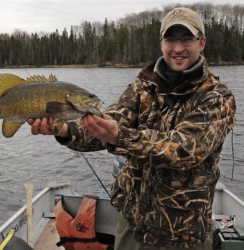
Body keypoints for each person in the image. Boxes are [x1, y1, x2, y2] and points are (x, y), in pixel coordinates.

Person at [28, 7, 236, 250]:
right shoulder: (142, 88)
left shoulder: (217, 97)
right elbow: (107, 122)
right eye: (171, 39)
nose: (178, 48)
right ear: (161, 43)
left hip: (183, 234)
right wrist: (64, 129)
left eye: (187, 39)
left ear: (202, 43)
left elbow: (183, 150)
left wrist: (118, 135)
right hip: (132, 224)